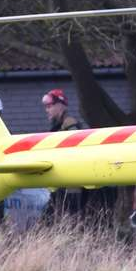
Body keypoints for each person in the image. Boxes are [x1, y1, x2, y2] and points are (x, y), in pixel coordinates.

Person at [41, 89, 85, 218]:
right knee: (52, 217)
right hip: (60, 182)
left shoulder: (70, 124)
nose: (46, 110)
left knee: (67, 218)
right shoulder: (58, 125)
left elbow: (76, 150)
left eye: (49, 106)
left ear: (60, 106)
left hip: (71, 185)